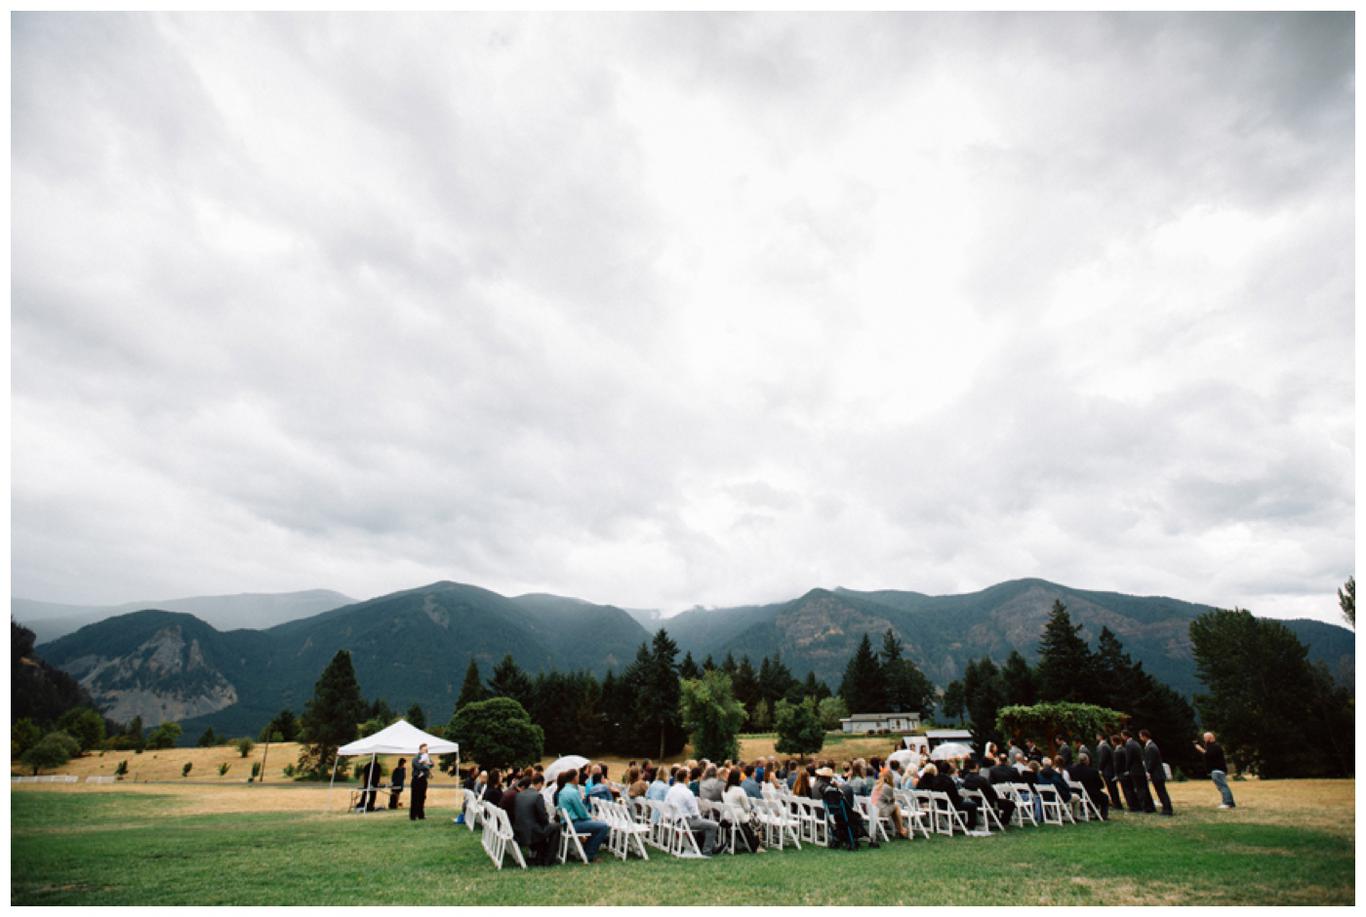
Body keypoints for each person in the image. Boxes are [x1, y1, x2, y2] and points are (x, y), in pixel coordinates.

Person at [666, 766, 722, 856]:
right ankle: (707, 851)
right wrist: (700, 818)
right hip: (685, 821)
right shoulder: (687, 792)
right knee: (713, 825)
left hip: (675, 820)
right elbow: (695, 812)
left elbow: (666, 804)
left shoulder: (671, 790)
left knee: (705, 823)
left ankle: (713, 846)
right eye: (689, 777)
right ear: (685, 778)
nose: (689, 779)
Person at [514, 774, 558, 866]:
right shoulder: (537, 796)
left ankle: (541, 854)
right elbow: (543, 817)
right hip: (532, 833)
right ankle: (548, 859)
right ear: (540, 784)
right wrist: (548, 820)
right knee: (556, 827)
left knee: (546, 827)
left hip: (519, 831)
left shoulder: (519, 794)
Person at [721, 768, 766, 853]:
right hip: (739, 816)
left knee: (753, 818)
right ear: (738, 779)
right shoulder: (739, 790)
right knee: (757, 821)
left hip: (728, 816)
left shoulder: (724, 790)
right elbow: (746, 808)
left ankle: (749, 843)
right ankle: (757, 845)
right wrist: (751, 810)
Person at [962, 758, 1015, 827]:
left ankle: (997, 820)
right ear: (977, 766)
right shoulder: (981, 779)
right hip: (987, 802)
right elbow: (991, 791)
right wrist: (996, 798)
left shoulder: (966, 778)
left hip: (975, 801)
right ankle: (1003, 822)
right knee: (1010, 804)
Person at [1194, 731, 1236, 809]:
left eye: (1205, 738)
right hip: (1218, 770)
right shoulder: (1213, 747)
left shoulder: (1214, 747)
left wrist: (1200, 749)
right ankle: (1228, 802)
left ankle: (1228, 803)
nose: (1204, 739)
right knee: (1222, 787)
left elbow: (1208, 755)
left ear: (1209, 738)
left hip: (1217, 771)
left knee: (1222, 787)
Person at [1141, 729, 1174, 816]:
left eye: (1141, 736)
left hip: (1157, 774)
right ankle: (1166, 808)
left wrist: (1148, 771)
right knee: (1160, 792)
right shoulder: (1150, 746)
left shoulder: (1151, 747)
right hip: (1156, 774)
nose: (1140, 738)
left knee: (1162, 792)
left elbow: (1152, 761)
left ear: (1144, 736)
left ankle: (1167, 810)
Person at [870, 768, 909, 839]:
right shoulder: (887, 787)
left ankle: (900, 830)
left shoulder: (875, 786)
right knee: (896, 806)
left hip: (872, 810)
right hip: (880, 811)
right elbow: (892, 801)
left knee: (893, 808)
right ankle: (901, 830)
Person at [1068, 752, 1108, 820]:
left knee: (1092, 797)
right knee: (1105, 797)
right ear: (1087, 760)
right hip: (1091, 794)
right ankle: (1103, 815)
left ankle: (1094, 811)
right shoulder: (1093, 771)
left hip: (1078, 793)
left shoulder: (1071, 770)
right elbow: (1101, 785)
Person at [1123, 730, 1155, 813]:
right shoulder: (1136, 743)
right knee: (1145, 789)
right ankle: (1151, 806)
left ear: (1125, 736)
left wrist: (1127, 769)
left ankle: (1145, 807)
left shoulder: (1129, 745)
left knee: (1139, 789)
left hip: (1135, 770)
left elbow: (1129, 758)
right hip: (1140, 769)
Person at [1111, 733, 1137, 812]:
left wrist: (1116, 774)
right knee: (1130, 789)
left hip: (1121, 774)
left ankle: (1131, 806)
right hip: (1126, 772)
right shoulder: (1124, 749)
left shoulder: (1117, 751)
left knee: (1126, 791)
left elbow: (1117, 764)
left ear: (1114, 742)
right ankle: (1135, 805)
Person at [1095, 733, 1118, 810]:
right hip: (1107, 770)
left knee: (1112, 788)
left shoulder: (1104, 746)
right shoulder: (1103, 746)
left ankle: (1116, 803)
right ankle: (1115, 803)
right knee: (1110, 787)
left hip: (1108, 770)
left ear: (1101, 736)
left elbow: (1103, 759)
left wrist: (1100, 769)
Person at [409, 744, 432, 821]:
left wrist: (426, 764)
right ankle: (413, 816)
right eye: (424, 749)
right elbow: (419, 766)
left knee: (422, 797)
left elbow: (432, 764)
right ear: (420, 750)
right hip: (416, 780)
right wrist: (426, 764)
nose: (426, 751)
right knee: (415, 798)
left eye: (426, 750)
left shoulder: (427, 757)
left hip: (423, 779)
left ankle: (421, 815)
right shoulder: (415, 758)